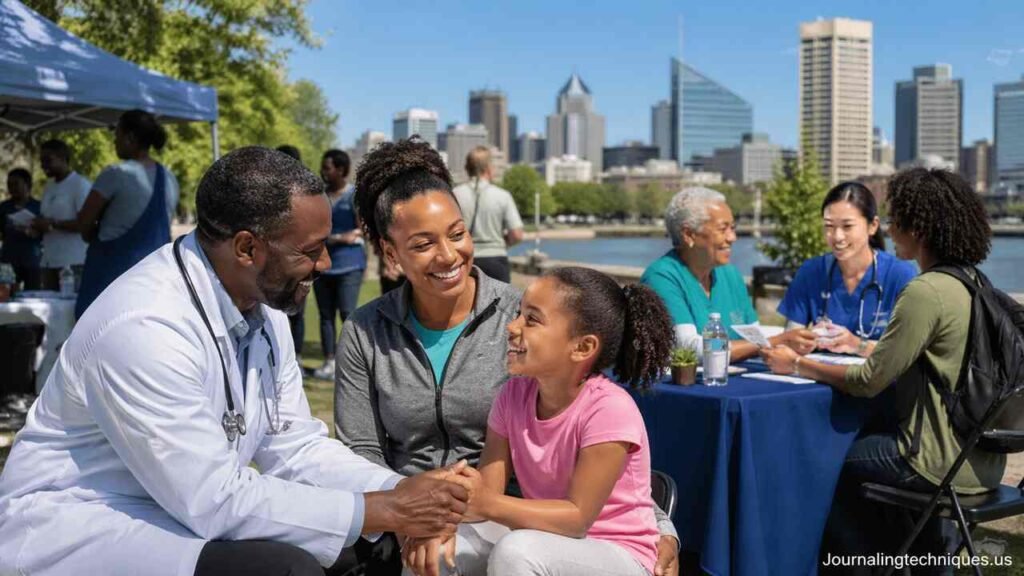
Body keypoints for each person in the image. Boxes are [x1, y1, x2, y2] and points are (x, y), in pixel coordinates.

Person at [0, 147, 472, 576]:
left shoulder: (263, 308)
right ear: (247, 248)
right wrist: (384, 509)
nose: (326, 264)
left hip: (175, 506)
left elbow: (294, 447)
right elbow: (212, 499)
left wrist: (404, 494)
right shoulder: (143, 327)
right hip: (81, 523)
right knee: (285, 570)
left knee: (373, 548)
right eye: (309, 251)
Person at [335, 138, 681, 576]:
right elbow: (358, 453)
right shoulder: (365, 332)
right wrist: (413, 512)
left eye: (458, 234)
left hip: (522, 522)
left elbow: (601, 448)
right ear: (390, 254)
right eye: (423, 244)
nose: (448, 255)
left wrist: (661, 527)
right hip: (414, 513)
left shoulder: (530, 323)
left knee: (507, 553)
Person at [761, 169, 1006, 574]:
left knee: (830, 463)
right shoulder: (975, 282)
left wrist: (800, 364)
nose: (890, 230)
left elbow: (869, 380)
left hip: (936, 461)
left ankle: (871, 568)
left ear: (921, 227)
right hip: (980, 459)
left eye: (897, 219)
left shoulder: (925, 291)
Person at [404, 267, 673, 576]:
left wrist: (484, 503)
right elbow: (488, 491)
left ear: (582, 347)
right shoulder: (512, 395)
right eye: (519, 313)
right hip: (545, 537)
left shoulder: (609, 409)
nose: (512, 326)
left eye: (531, 319)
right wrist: (444, 517)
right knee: (436, 547)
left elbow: (577, 518)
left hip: (619, 554)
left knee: (517, 552)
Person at [640, 186, 816, 361]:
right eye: (723, 229)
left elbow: (755, 336)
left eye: (732, 228)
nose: (732, 237)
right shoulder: (661, 278)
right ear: (689, 234)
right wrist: (776, 341)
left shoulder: (730, 274)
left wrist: (802, 337)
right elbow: (690, 348)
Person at [777, 182, 916, 357]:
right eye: (829, 226)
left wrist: (857, 345)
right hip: (819, 379)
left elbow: (908, 352)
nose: (837, 237)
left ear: (872, 226)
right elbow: (789, 339)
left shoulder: (900, 276)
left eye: (847, 226)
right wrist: (805, 341)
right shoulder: (810, 272)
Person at [74, 108, 180, 318]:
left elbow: (83, 223)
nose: (114, 142)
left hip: (110, 277)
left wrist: (91, 233)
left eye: (117, 136)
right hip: (154, 280)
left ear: (130, 137)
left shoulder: (116, 174)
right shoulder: (169, 178)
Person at [312, 149, 366, 380]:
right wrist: (339, 238)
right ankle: (329, 362)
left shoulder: (354, 196)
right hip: (323, 266)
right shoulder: (318, 196)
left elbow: (363, 228)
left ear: (341, 170)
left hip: (350, 266)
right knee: (325, 315)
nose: (323, 172)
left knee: (347, 313)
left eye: (328, 167)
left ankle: (354, 362)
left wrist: (341, 237)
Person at [451, 146, 524, 282]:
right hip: (496, 260)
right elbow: (517, 235)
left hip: (465, 260)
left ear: (467, 168)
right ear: (489, 169)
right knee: (501, 302)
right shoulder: (503, 196)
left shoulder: (454, 195)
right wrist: (501, 242)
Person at [31, 139, 92, 291]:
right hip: (49, 261)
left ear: (63, 158)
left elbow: (86, 223)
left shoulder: (80, 184)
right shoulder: (49, 187)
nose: (43, 165)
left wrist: (54, 224)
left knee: (71, 312)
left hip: (72, 263)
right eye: (41, 161)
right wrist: (36, 226)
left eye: (47, 160)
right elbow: (46, 219)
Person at [276, 145, 309, 365]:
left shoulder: (303, 195)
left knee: (292, 312)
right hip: (290, 264)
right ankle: (289, 358)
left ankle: (292, 358)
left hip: (292, 264)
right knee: (289, 313)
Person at [0, 168, 42, 290]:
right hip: (8, 260)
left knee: (33, 296)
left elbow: (46, 231)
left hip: (32, 260)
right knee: (7, 295)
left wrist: (33, 231)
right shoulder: (4, 207)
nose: (12, 188)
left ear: (27, 184)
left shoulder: (38, 206)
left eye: (16, 184)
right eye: (9, 185)